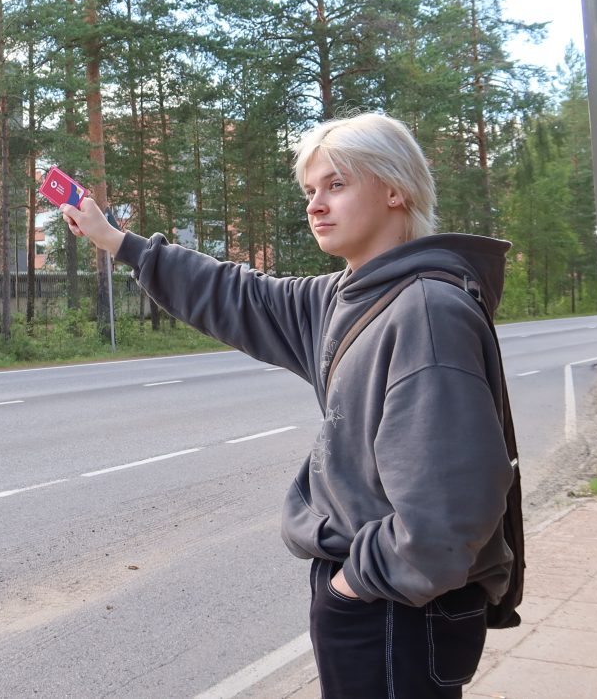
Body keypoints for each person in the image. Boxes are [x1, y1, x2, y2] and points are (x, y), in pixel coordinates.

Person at [60, 112, 515, 698]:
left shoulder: (426, 312)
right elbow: (235, 293)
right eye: (310, 190)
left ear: (395, 189)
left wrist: (357, 584)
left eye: (336, 185)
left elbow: (450, 510)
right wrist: (118, 241)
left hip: (399, 606)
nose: (315, 205)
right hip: (376, 596)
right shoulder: (345, 298)